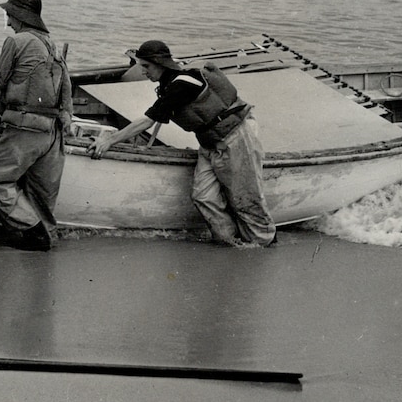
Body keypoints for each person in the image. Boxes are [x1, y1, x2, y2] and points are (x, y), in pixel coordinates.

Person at [88, 40, 276, 248]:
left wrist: (109, 140)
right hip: (210, 143)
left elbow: (148, 120)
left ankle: (263, 244)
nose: (143, 72)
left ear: (160, 63)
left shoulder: (183, 83)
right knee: (203, 196)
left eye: (146, 66)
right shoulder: (169, 85)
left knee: (245, 199)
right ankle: (232, 243)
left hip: (234, 137)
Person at [0, 0, 73, 251]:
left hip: (24, 126)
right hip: (52, 132)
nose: (8, 22)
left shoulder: (16, 42)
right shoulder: (53, 45)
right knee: (42, 194)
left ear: (19, 17)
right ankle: (47, 238)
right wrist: (67, 119)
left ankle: (33, 231)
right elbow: (67, 91)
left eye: (9, 16)